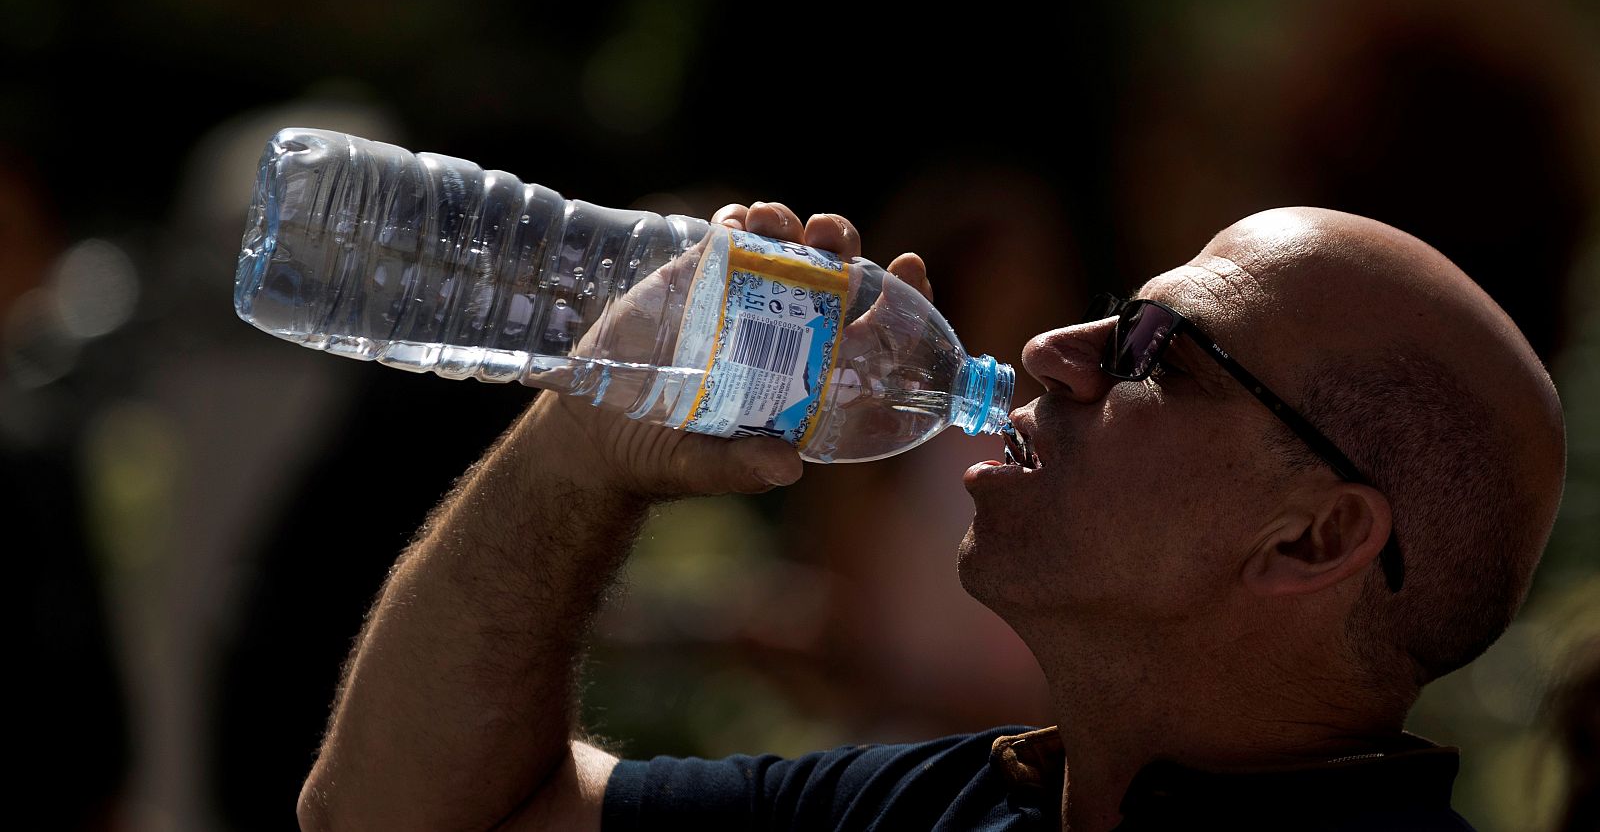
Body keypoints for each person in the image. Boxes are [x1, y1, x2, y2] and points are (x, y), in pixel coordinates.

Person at [295, 203, 1566, 831]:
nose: (1052, 350)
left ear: (1312, 539)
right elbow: (394, 814)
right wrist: (578, 455)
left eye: (1156, 353)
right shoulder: (961, 801)